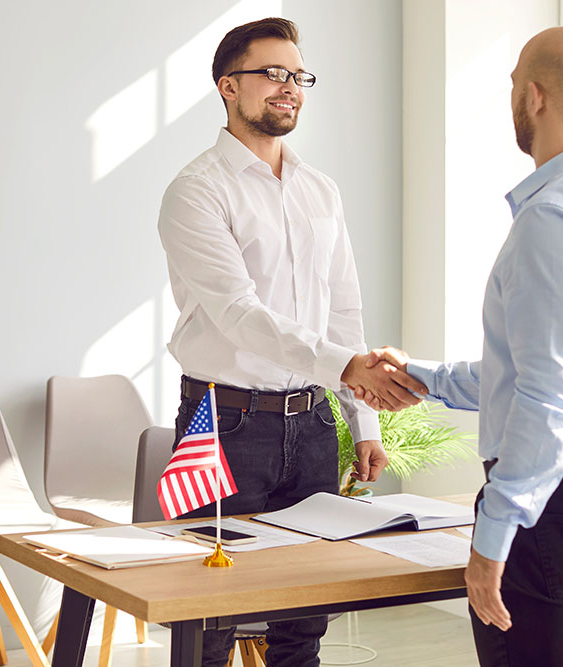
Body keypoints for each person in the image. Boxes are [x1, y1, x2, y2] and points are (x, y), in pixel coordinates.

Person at [357, 26, 563, 667]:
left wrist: (494, 532)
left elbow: (552, 394)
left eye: (512, 84)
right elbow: (556, 371)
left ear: (534, 97)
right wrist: (424, 377)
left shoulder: (552, 217)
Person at [157, 17, 426, 667]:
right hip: (223, 422)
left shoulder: (320, 190)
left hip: (311, 423)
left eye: (299, 75)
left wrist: (364, 424)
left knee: (304, 616)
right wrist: (350, 366)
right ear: (228, 86)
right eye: (273, 73)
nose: (290, 87)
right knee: (208, 616)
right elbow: (238, 314)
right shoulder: (195, 191)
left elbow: (344, 310)